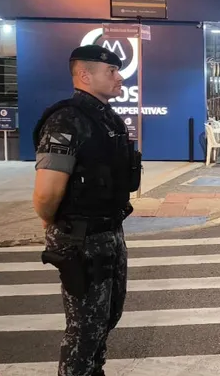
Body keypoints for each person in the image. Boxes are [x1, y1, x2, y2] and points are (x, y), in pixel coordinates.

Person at [32, 45, 139, 376]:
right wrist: (61, 228)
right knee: (83, 329)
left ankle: (94, 370)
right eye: (111, 71)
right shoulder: (67, 119)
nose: (119, 77)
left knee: (107, 317)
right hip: (80, 237)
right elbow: (46, 193)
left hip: (108, 231)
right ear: (83, 75)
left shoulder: (107, 118)